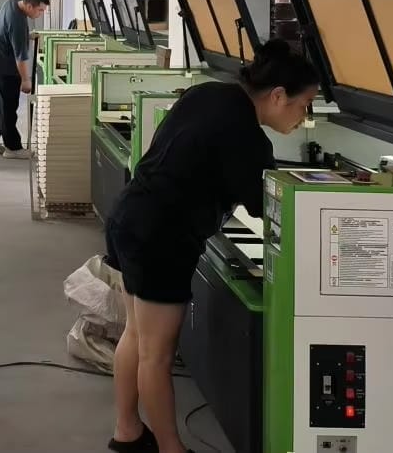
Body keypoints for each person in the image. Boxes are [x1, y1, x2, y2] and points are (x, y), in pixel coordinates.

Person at [104, 40, 319, 453]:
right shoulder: (247, 135)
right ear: (278, 96)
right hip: (161, 237)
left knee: (136, 334)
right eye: (304, 104)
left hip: (130, 216)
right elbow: (266, 206)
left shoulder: (210, 92)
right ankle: (170, 448)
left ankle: (127, 431)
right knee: (157, 353)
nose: (303, 116)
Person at [0, 0, 50, 159]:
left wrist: (27, 36)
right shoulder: (17, 22)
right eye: (40, 10)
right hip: (7, 70)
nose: (40, 14)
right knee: (9, 108)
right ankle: (13, 147)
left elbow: (8, 32)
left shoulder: (13, 1)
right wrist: (26, 80)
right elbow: (21, 57)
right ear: (29, 6)